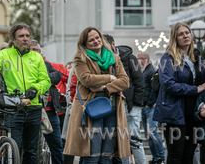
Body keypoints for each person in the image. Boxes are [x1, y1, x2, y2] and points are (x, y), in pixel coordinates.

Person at [0, 23, 51, 164]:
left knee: (31, 151)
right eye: (21, 36)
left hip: (34, 108)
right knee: (14, 148)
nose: (25, 39)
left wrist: (35, 88)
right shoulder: (4, 54)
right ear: (13, 39)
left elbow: (46, 81)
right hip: (14, 108)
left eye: (27, 36)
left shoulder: (37, 57)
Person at [64, 27, 130, 164]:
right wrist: (111, 77)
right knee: (92, 156)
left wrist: (105, 87)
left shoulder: (114, 58)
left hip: (113, 109)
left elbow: (125, 82)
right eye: (91, 40)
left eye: (97, 37)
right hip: (92, 110)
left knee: (107, 156)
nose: (96, 41)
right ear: (85, 44)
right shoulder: (80, 58)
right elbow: (87, 79)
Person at [153, 22, 205, 164]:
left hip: (194, 112)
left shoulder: (197, 57)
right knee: (176, 154)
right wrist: (195, 89)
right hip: (174, 112)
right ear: (175, 38)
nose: (185, 36)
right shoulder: (168, 58)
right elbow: (169, 84)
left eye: (187, 32)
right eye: (181, 34)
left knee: (190, 153)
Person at [104, 34, 145, 164]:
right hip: (116, 106)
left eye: (106, 47)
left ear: (113, 44)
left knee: (134, 140)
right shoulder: (105, 59)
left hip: (130, 105)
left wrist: (136, 106)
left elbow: (139, 82)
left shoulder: (129, 58)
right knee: (122, 142)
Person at [29, 40, 64, 164]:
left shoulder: (45, 64)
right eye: (31, 49)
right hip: (34, 111)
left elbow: (58, 75)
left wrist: (43, 80)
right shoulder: (24, 67)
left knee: (57, 146)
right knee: (34, 148)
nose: (35, 52)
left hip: (51, 112)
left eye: (37, 50)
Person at [137, 52, 165, 164]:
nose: (136, 62)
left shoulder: (151, 71)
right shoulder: (146, 71)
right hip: (145, 107)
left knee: (153, 132)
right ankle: (155, 158)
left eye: (138, 59)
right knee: (149, 134)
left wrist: (149, 103)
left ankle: (162, 158)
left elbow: (155, 89)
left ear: (144, 59)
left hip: (150, 107)